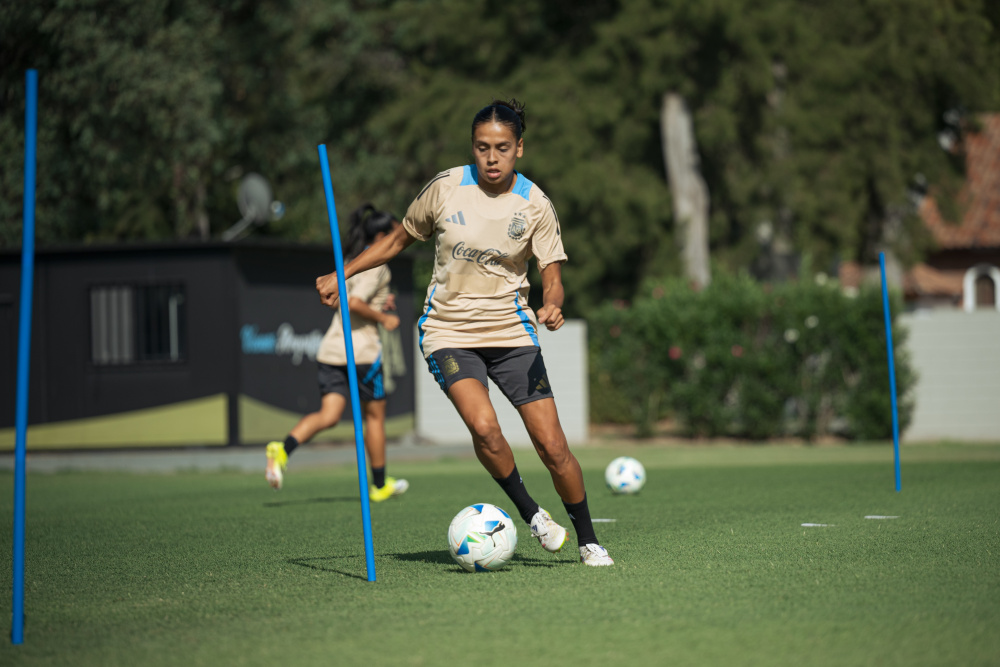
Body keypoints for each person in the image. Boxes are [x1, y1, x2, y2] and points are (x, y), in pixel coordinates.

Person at [316, 98, 613, 566]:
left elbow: (552, 274)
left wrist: (553, 304)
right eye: (482, 147)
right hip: (448, 331)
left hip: (512, 332)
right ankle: (532, 514)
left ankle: (588, 540)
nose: (491, 158)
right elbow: (396, 240)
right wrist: (342, 272)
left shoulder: (536, 204)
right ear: (472, 147)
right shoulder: (445, 188)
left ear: (519, 148)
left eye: (502, 148)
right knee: (485, 428)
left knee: (553, 446)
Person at [266, 204, 409, 503]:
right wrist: (383, 318)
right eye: (396, 232)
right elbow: (354, 303)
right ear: (381, 236)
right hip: (362, 353)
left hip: (332, 350)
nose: (402, 238)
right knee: (375, 418)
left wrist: (379, 302)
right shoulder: (377, 265)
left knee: (329, 415)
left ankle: (282, 449)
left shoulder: (350, 262)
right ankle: (379, 485)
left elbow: (345, 299)